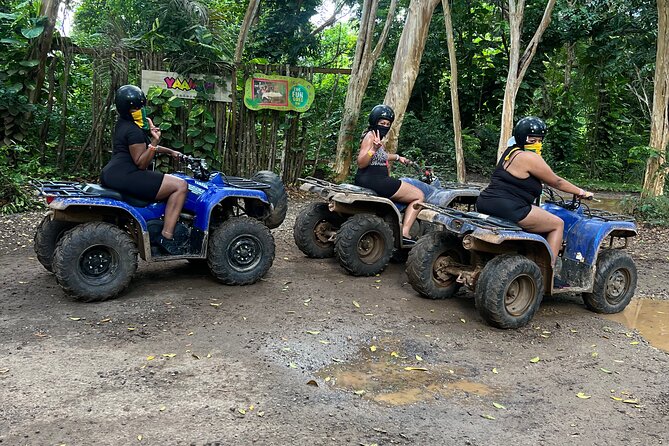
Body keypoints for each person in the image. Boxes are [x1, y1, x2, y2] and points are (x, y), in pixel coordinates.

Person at [476, 116, 593, 284]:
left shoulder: (510, 152)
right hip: (510, 207)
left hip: (485, 202)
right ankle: (547, 273)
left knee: (540, 215)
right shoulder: (530, 158)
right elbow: (556, 181)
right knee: (557, 224)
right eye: (533, 139)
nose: (537, 143)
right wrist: (581, 192)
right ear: (523, 138)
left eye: (539, 140)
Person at [101, 85, 188, 255]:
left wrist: (170, 151)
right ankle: (167, 236)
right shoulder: (132, 130)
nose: (141, 110)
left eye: (141, 106)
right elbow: (141, 162)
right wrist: (155, 142)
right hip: (127, 174)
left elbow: (142, 147)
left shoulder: (124, 124)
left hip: (113, 173)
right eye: (137, 107)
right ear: (127, 109)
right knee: (180, 186)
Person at [354, 104, 424, 243]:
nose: (385, 126)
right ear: (375, 121)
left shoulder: (377, 137)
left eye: (387, 124)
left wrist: (398, 157)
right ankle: (404, 234)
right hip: (376, 180)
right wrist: (372, 149)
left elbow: (382, 156)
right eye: (382, 123)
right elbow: (361, 162)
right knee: (418, 196)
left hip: (371, 178)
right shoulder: (371, 137)